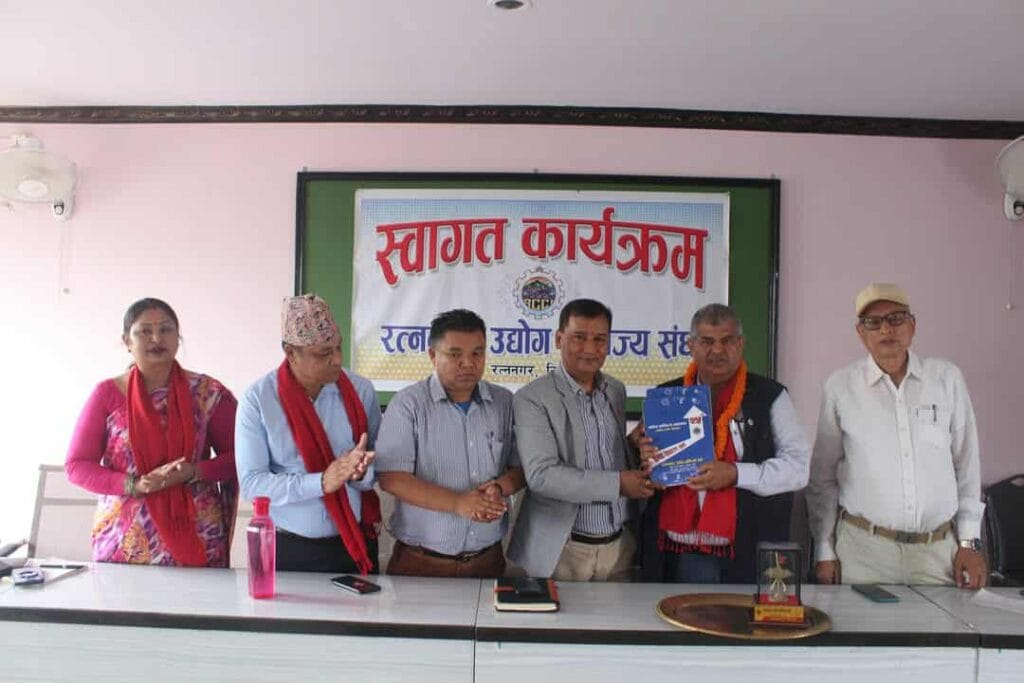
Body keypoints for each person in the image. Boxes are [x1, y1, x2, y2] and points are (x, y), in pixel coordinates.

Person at [807, 283, 986, 588]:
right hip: (863, 554)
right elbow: (822, 478)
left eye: (895, 318)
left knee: (943, 623)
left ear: (912, 326)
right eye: (873, 322)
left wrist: (970, 543)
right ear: (860, 334)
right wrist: (824, 550)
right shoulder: (841, 387)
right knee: (859, 622)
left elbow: (967, 467)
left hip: (938, 554)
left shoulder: (946, 379)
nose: (885, 329)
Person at [637, 303, 809, 583]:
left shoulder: (771, 396)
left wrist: (735, 474)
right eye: (707, 341)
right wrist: (648, 460)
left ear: (740, 344)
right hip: (678, 551)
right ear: (690, 346)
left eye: (727, 340)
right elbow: (648, 474)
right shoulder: (665, 397)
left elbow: (798, 469)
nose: (717, 350)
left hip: (747, 549)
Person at [66, 298, 239, 566]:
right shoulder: (106, 395)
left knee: (197, 595)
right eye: (144, 331)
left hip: (197, 535)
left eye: (166, 329)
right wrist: (133, 485)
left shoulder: (208, 393)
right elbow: (77, 465)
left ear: (178, 338)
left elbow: (241, 457)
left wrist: (195, 472)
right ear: (127, 341)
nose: (156, 338)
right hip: (123, 544)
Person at [507, 298, 654, 581]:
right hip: (561, 551)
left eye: (599, 339)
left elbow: (604, 453)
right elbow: (541, 475)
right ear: (559, 339)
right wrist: (619, 484)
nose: (589, 349)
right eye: (579, 337)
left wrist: (633, 446)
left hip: (619, 548)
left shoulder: (615, 390)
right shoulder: (532, 398)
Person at [235, 294, 381, 574]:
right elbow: (252, 483)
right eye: (323, 353)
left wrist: (360, 473)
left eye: (338, 347)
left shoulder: (360, 390)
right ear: (290, 353)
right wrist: (321, 482)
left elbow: (377, 462)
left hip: (353, 541)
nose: (337, 360)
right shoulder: (259, 400)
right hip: (287, 547)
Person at [376, 309, 524, 578]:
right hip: (421, 562)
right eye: (455, 354)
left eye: (477, 353)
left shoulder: (504, 403)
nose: (468, 363)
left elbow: (521, 468)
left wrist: (500, 487)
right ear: (433, 355)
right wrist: (458, 503)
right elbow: (392, 479)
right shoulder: (408, 405)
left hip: (488, 560)